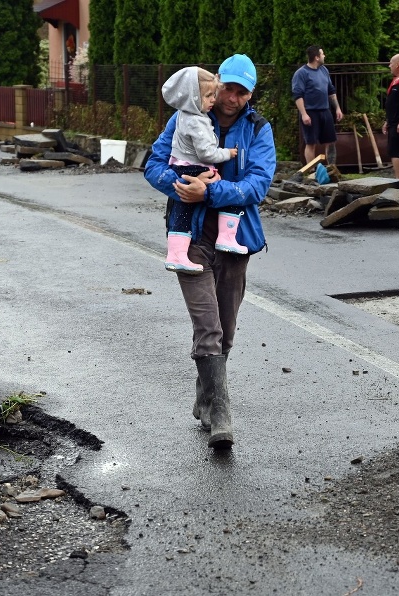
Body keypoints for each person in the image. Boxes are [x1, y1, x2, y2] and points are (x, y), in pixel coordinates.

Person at [144, 54, 275, 450]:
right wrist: (181, 184)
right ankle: (221, 411)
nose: (231, 98)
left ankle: (205, 396)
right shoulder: (186, 115)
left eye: (241, 92)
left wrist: (212, 191)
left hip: (236, 241)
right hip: (193, 237)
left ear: (250, 94)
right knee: (208, 325)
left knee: (227, 329)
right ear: (217, 84)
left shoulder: (258, 129)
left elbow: (259, 183)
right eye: (227, 89)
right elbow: (153, 164)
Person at [160, 66, 244, 274]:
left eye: (212, 94)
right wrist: (228, 153)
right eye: (207, 96)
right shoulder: (196, 120)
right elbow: (207, 153)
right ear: (192, 97)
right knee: (229, 194)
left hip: (183, 167)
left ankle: (177, 254)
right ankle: (226, 238)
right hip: (194, 168)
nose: (212, 99)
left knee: (183, 213)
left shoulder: (185, 114)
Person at [292, 45, 343, 164]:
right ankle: (311, 173)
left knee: (330, 142)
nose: (324, 56)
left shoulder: (324, 70)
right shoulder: (302, 73)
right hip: (310, 112)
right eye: (322, 54)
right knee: (311, 143)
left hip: (325, 111)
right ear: (317, 57)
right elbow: (298, 95)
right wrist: (304, 114)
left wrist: (337, 108)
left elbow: (331, 91)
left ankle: (331, 170)